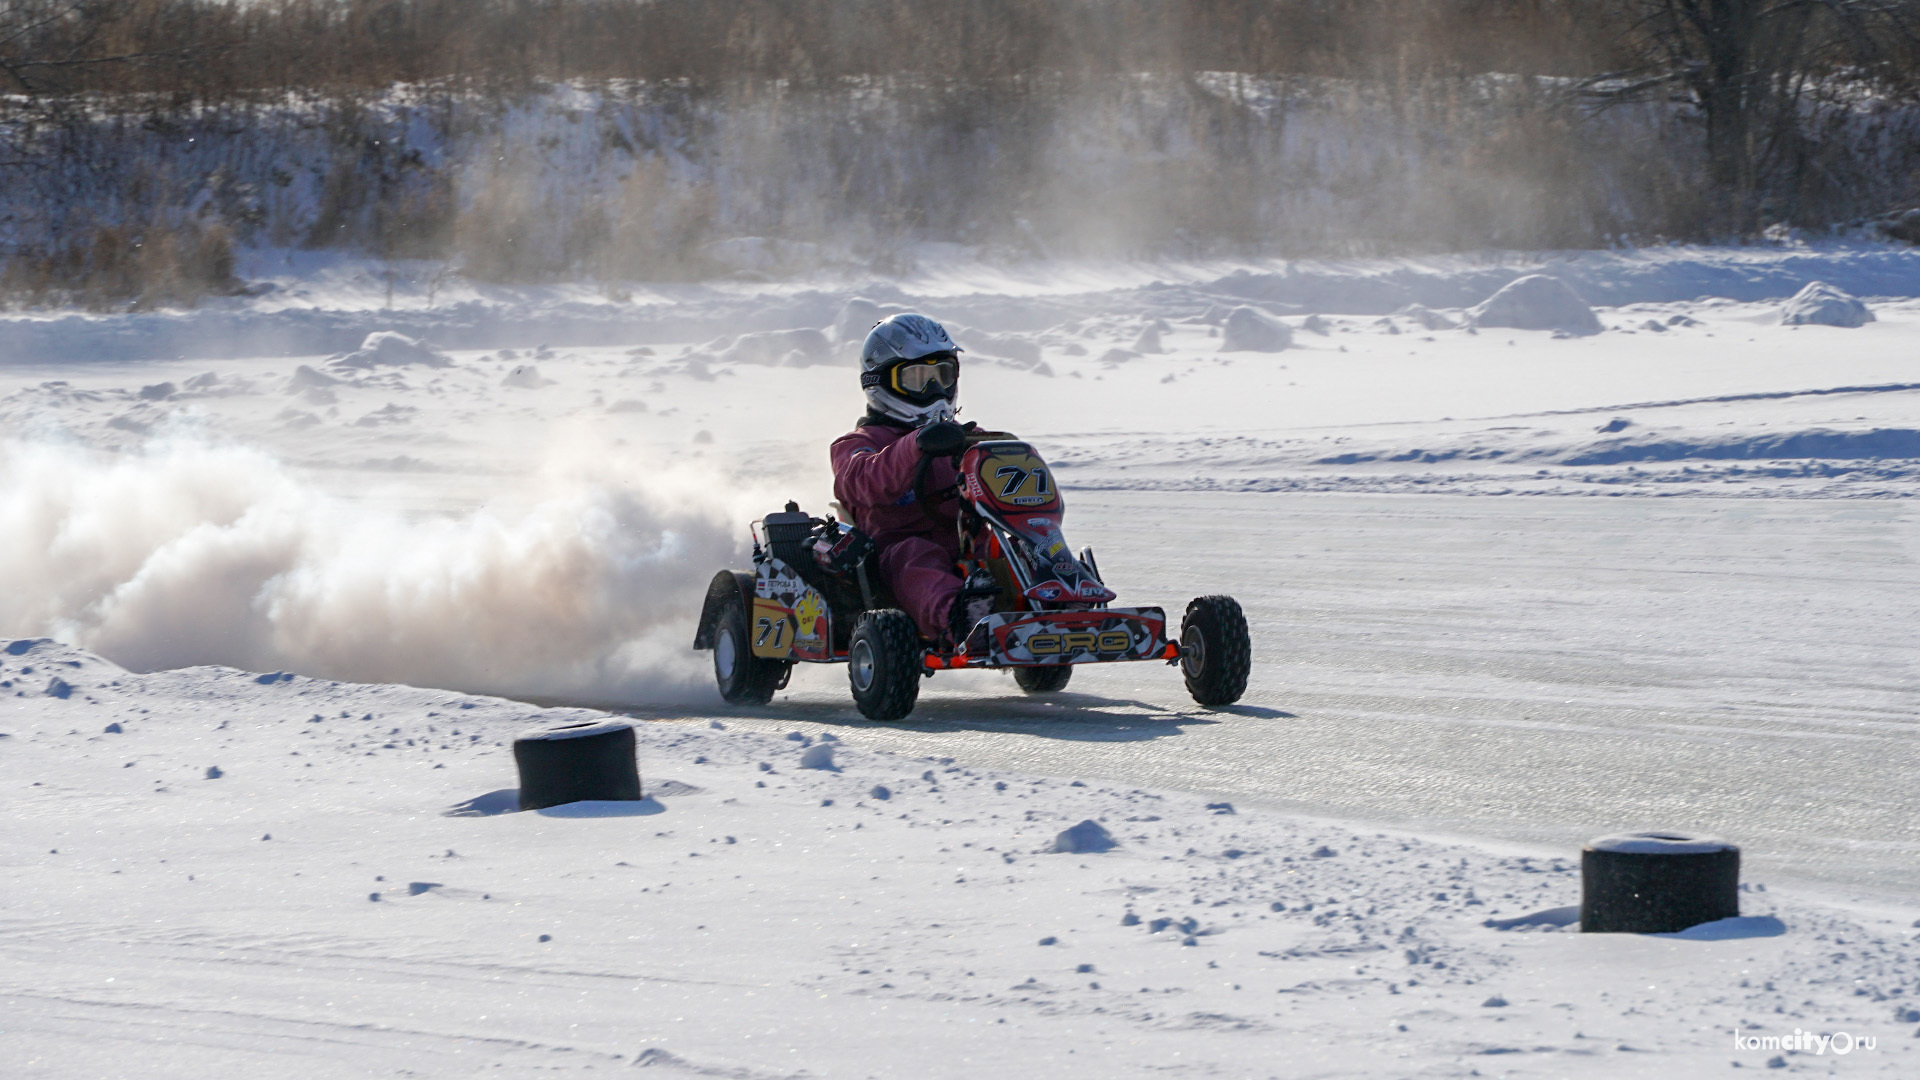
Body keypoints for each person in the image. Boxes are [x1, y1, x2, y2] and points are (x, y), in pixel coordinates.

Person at [830, 313, 992, 645]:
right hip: (892, 554)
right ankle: (962, 619)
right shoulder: (858, 443)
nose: (934, 390)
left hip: (970, 543)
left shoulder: (969, 437)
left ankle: (1060, 605)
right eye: (918, 378)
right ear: (881, 382)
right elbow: (862, 479)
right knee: (917, 559)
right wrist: (916, 444)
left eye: (941, 376)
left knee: (1019, 546)